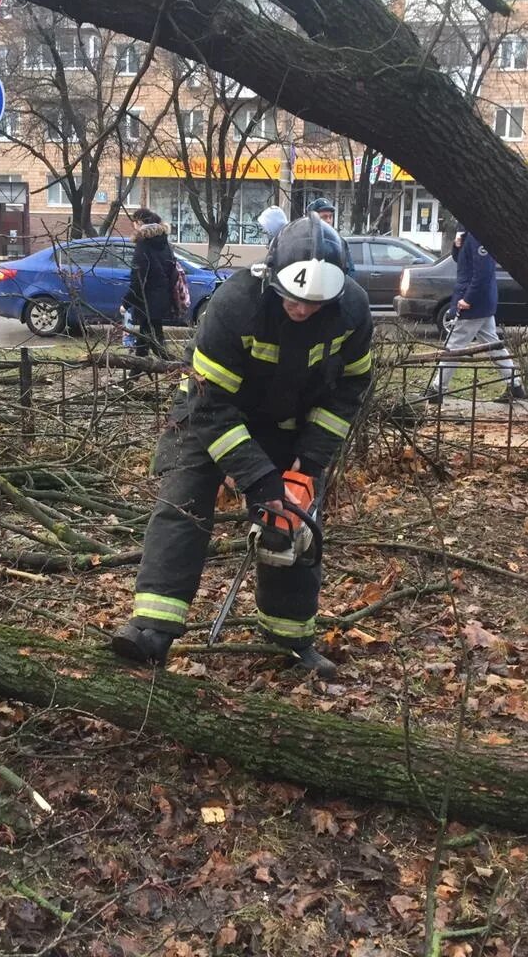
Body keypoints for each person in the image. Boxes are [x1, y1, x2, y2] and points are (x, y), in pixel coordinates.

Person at [110, 216, 373, 678]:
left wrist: (306, 466)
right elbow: (210, 403)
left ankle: (291, 639)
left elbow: (349, 391)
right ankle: (152, 629)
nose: (302, 310)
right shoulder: (235, 305)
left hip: (292, 426)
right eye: (293, 298)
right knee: (183, 504)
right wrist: (257, 476)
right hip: (210, 414)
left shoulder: (353, 311)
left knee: (293, 523)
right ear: (272, 276)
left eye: (314, 303)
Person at [427, 226, 526, 404]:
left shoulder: (479, 236)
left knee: (454, 345)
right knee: (492, 344)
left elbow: (483, 273)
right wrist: (456, 247)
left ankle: (437, 389)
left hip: (474, 303)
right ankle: (515, 385)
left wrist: (468, 299)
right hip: (480, 301)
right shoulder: (469, 234)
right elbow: (463, 262)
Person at [122, 208, 179, 358]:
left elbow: (138, 277)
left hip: (147, 299)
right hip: (161, 298)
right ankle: (136, 370)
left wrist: (126, 302)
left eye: (134, 222)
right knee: (148, 336)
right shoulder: (165, 243)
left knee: (155, 341)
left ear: (139, 222)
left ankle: (175, 369)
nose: (133, 225)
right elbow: (171, 270)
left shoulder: (143, 244)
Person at [306, 197, 354, 276]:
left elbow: (350, 270)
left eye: (330, 217)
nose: (328, 220)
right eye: (324, 217)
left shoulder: (340, 242)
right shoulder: (305, 239)